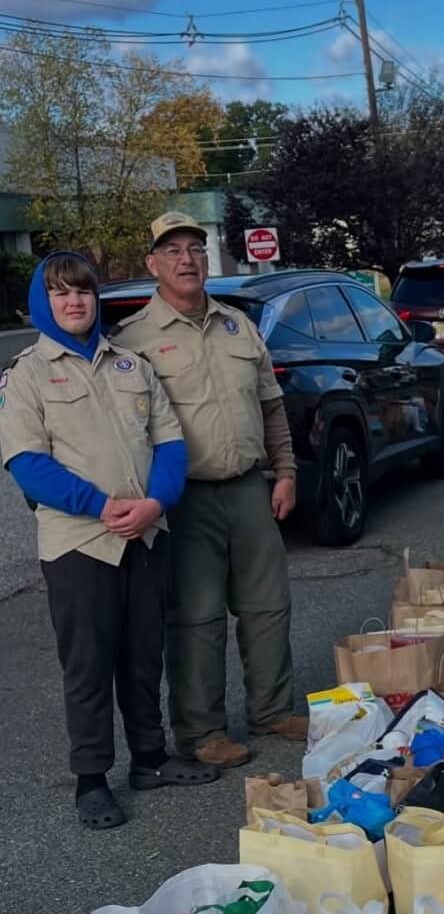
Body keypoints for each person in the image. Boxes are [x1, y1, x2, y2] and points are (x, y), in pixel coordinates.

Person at [0, 252, 218, 829]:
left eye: (83, 292)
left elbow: (169, 443)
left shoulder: (131, 365)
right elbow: (26, 464)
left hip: (145, 535)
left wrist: (153, 503)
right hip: (80, 545)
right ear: (42, 304)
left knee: (145, 657)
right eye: (61, 293)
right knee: (89, 666)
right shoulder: (25, 375)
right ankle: (91, 779)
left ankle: (150, 758)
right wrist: (100, 505)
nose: (75, 302)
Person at [110, 213, 304, 769]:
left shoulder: (237, 327)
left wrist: (285, 470)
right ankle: (201, 731)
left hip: (247, 485)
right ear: (152, 265)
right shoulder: (135, 341)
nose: (186, 259)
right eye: (171, 251)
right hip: (183, 498)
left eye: (194, 248)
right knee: (195, 616)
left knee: (268, 604)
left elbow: (270, 406)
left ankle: (272, 709)